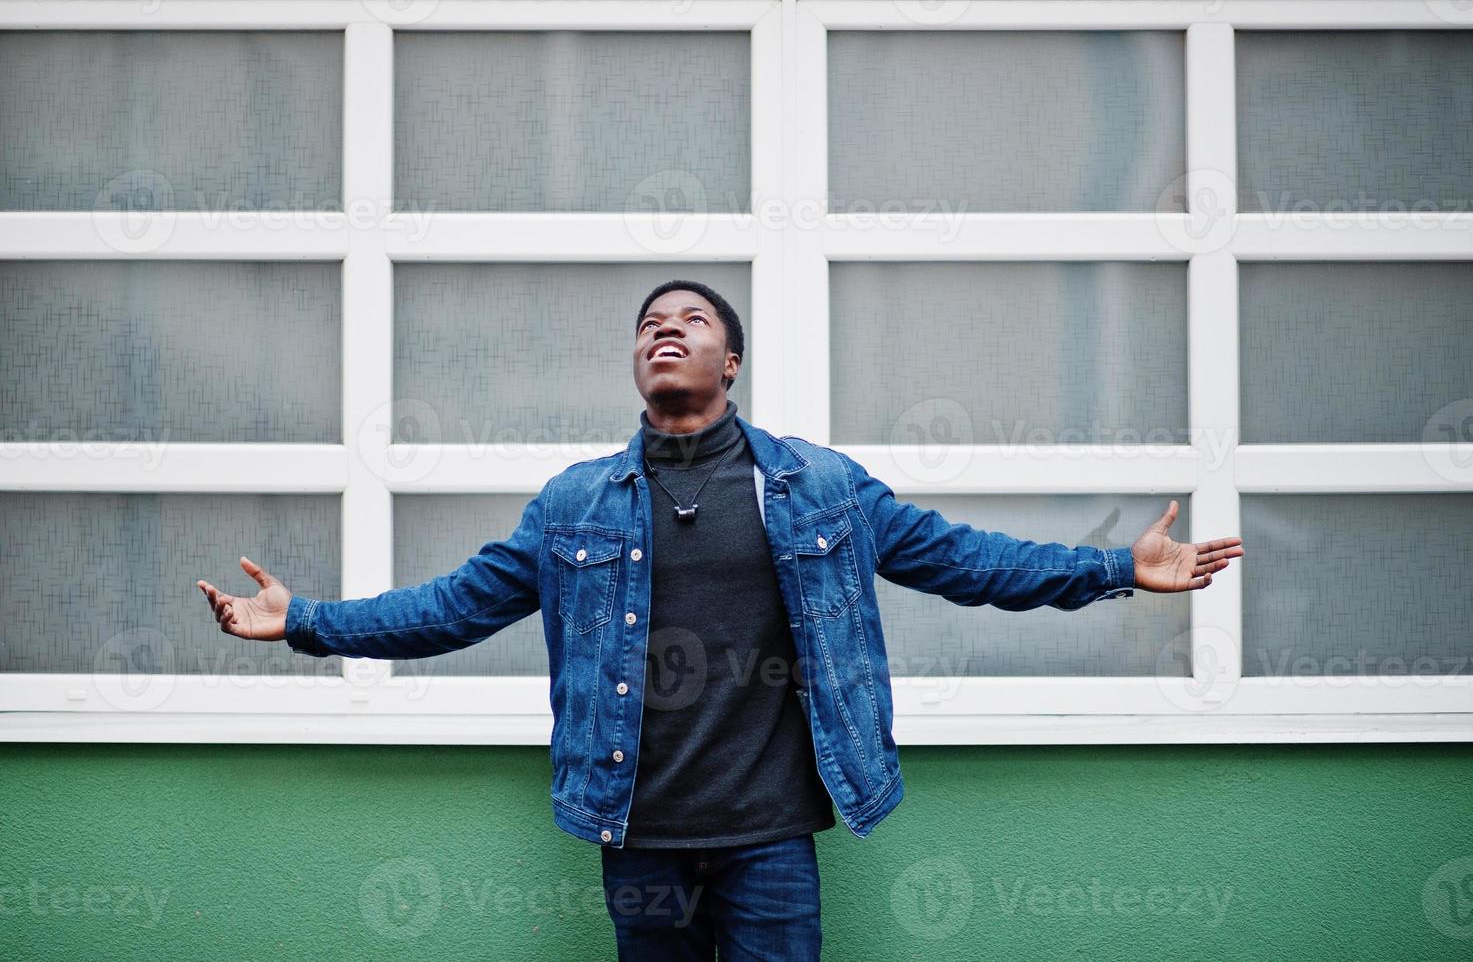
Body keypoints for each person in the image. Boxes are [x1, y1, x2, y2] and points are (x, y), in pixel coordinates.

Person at [197, 279, 1245, 960]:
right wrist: (306, 622)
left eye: (692, 319)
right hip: (639, 835)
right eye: (650, 322)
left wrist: (1113, 565)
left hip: (769, 838)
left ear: (731, 361)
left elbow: (965, 559)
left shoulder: (821, 488)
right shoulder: (574, 505)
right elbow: (454, 606)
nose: (666, 328)